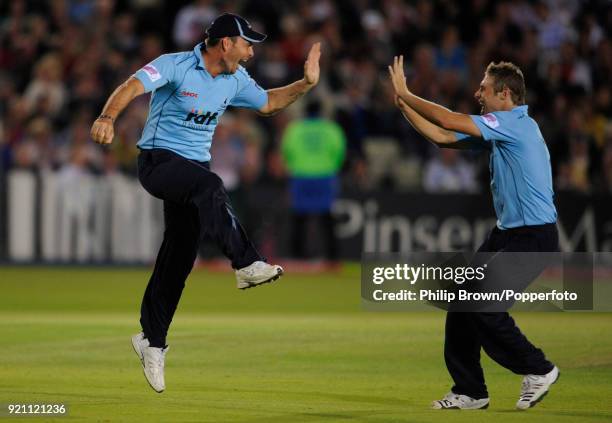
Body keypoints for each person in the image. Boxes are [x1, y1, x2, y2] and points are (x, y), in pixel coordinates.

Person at [90, 13, 321, 393]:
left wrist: (305, 84)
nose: (250, 53)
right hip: (158, 161)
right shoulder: (175, 65)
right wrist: (107, 116)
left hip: (194, 170)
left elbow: (268, 104)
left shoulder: (235, 79)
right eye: (247, 44)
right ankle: (246, 263)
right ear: (226, 43)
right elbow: (131, 87)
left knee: (179, 257)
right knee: (211, 185)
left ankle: (152, 340)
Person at [389, 56, 560, 410]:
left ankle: (538, 368)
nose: (477, 92)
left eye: (483, 87)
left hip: (533, 236)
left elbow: (449, 119)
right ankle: (470, 391)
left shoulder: (514, 124)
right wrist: (405, 105)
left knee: (485, 306)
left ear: (505, 94)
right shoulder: (502, 131)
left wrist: (408, 91)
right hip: (507, 234)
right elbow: (441, 137)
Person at [281, 99, 346, 262]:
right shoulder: (332, 129)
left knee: (299, 218)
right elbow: (339, 152)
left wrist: (295, 166)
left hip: (301, 176)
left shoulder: (295, 129)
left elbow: (287, 151)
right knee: (326, 218)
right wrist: (331, 167)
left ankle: (297, 257)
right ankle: (332, 258)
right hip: (324, 176)